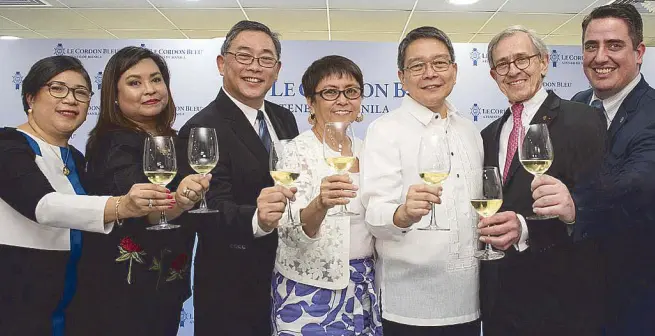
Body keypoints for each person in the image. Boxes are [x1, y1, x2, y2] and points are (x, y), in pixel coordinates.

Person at [0, 55, 172, 335]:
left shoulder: (76, 159)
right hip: (19, 308)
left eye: (81, 92)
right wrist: (121, 206)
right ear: (30, 98)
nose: (70, 100)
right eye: (57, 89)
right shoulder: (8, 146)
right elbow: (44, 206)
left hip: (76, 309)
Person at [66, 47, 210, 336]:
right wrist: (179, 202)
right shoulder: (112, 144)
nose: (150, 89)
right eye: (135, 83)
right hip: (120, 295)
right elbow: (146, 210)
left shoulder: (174, 140)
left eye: (156, 80)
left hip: (167, 284)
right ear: (114, 96)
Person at [531, 4, 655, 335]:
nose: (600, 57)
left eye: (614, 45)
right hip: (571, 295)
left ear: (639, 52)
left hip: (631, 299)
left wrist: (573, 205)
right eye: (591, 46)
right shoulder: (576, 103)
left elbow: (637, 187)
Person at [478, 26, 606, 336]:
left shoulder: (583, 120)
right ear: (494, 76)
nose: (513, 70)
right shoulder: (488, 134)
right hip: (499, 303)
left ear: (544, 63)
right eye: (503, 64)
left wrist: (526, 228)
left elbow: (598, 209)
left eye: (522, 59)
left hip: (558, 300)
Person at [177, 20, 299, 336]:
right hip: (230, 285)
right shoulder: (201, 128)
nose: (255, 67)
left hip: (286, 275)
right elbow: (208, 208)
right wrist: (259, 218)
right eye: (244, 56)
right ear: (222, 63)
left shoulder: (283, 118)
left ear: (277, 69)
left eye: (265, 59)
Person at [360, 26, 483, 336]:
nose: (430, 73)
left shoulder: (470, 131)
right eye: (418, 66)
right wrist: (402, 213)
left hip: (470, 300)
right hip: (410, 306)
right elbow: (374, 215)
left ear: (454, 71)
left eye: (440, 63)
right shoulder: (384, 130)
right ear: (402, 77)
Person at [270, 55, 382, 335]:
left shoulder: (369, 149)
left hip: (364, 286)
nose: (342, 100)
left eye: (351, 91)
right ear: (311, 102)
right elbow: (290, 231)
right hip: (309, 292)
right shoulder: (295, 152)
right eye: (330, 92)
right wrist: (320, 204)